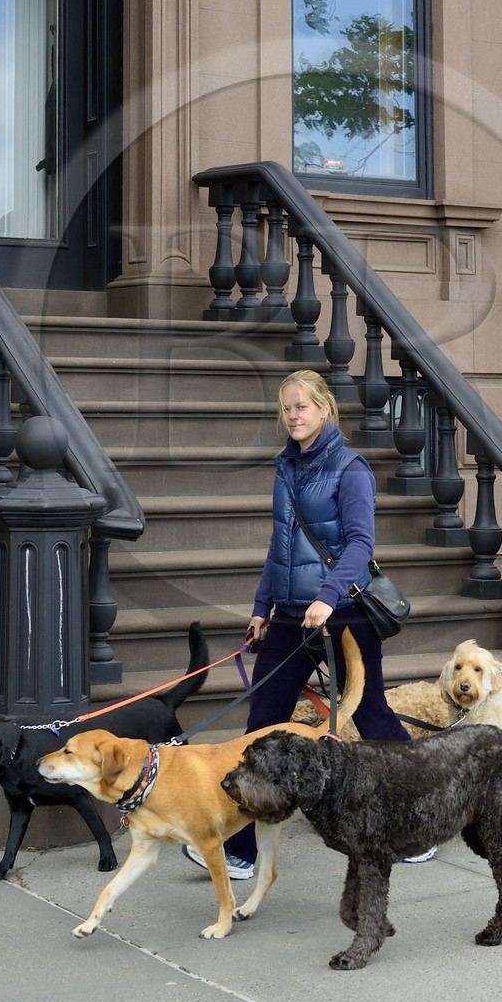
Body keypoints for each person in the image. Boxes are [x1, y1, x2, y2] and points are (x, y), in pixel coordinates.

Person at [183, 368, 436, 880]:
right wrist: (262, 607)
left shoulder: (352, 469)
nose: (293, 415)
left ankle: (420, 822)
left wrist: (326, 596)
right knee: (262, 726)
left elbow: (361, 544)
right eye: (286, 408)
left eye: (301, 406)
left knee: (372, 717)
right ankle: (242, 849)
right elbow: (279, 547)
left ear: (325, 409)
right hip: (289, 618)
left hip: (343, 614)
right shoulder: (286, 466)